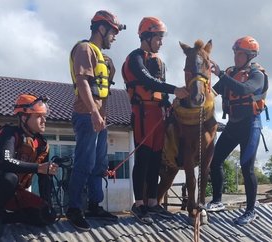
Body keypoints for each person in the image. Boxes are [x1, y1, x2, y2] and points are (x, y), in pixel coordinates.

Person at [122, 16, 189, 224]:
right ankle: (139, 204)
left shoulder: (158, 62)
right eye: (158, 37)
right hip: (142, 113)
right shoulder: (135, 58)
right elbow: (146, 81)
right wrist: (175, 89)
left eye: (161, 38)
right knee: (142, 159)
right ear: (147, 36)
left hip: (158, 115)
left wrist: (170, 103)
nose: (161, 42)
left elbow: (161, 88)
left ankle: (153, 203)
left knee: (154, 160)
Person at [66, 10, 125, 231]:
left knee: (99, 164)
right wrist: (93, 112)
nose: (115, 37)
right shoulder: (84, 49)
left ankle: (93, 205)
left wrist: (101, 116)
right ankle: (74, 209)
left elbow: (103, 91)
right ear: (101, 29)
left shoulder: (103, 57)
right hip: (86, 115)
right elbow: (82, 82)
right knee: (85, 162)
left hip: (100, 118)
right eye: (113, 32)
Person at [206, 36, 268, 225]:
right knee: (214, 161)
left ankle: (250, 211)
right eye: (234, 52)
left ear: (249, 55)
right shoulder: (231, 73)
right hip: (233, 124)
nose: (235, 57)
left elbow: (244, 89)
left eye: (239, 53)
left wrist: (222, 75)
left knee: (246, 168)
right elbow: (212, 93)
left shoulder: (257, 74)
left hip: (250, 125)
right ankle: (217, 201)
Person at [0, 94, 58, 238]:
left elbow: (44, 178)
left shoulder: (42, 145)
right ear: (24, 118)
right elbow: (5, 163)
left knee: (47, 216)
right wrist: (38, 168)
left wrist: (46, 204)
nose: (44, 120)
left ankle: (7, 218)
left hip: (15, 192)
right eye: (39, 116)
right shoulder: (9, 133)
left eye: (44, 116)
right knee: (9, 177)